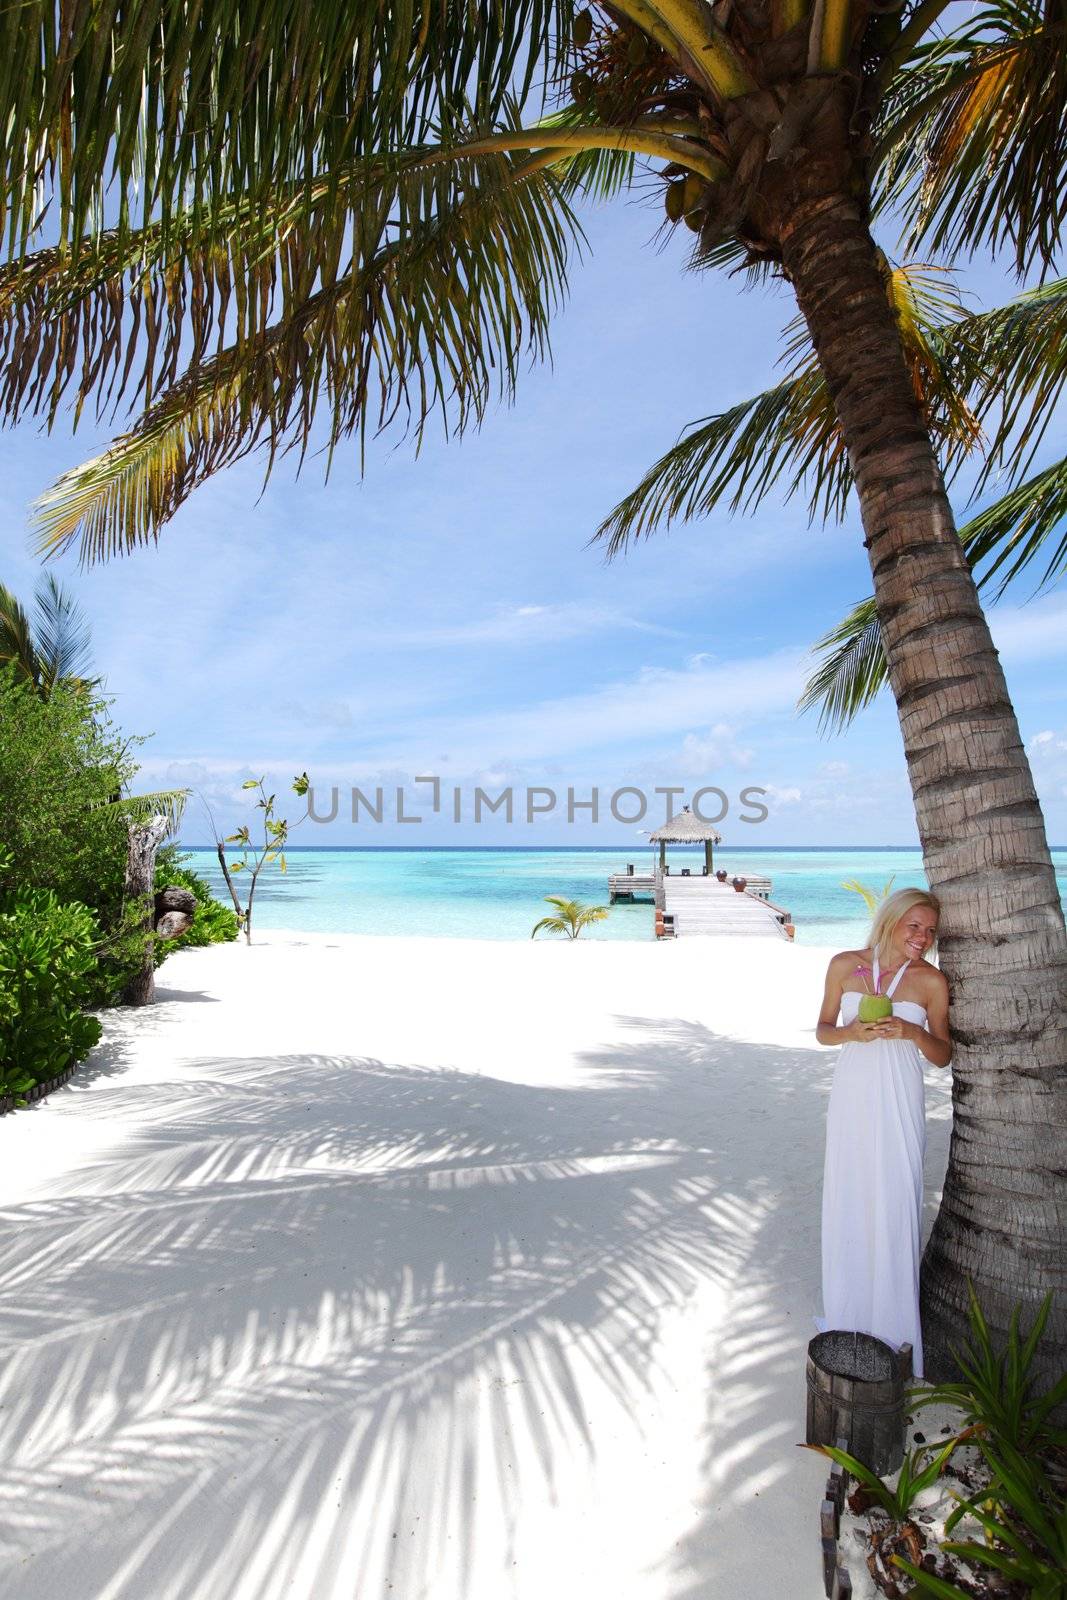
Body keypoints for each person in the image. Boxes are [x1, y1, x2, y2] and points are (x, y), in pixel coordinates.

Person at [814, 888, 953, 1377]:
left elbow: (943, 1054)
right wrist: (851, 1033)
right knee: (851, 1192)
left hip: (900, 1095)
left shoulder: (931, 981)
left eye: (931, 931)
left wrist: (913, 1033)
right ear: (891, 920)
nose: (923, 938)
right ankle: (849, 1316)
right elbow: (823, 1030)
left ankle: (892, 1328)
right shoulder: (844, 964)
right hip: (853, 1093)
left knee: (895, 1196)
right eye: (914, 926)